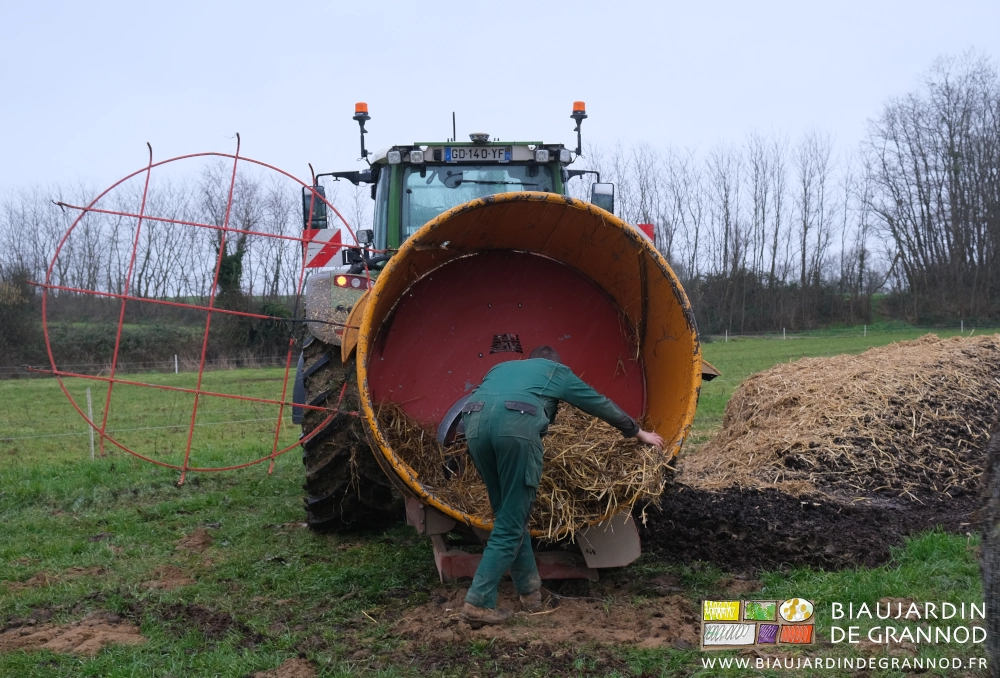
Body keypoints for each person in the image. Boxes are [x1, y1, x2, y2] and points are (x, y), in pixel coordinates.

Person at [459, 345, 664, 625]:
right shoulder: (556, 371)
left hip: (474, 427)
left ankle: (530, 593)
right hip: (516, 429)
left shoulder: (501, 368)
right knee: (510, 523)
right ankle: (478, 602)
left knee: (508, 517)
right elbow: (598, 403)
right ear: (553, 362)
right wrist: (637, 432)